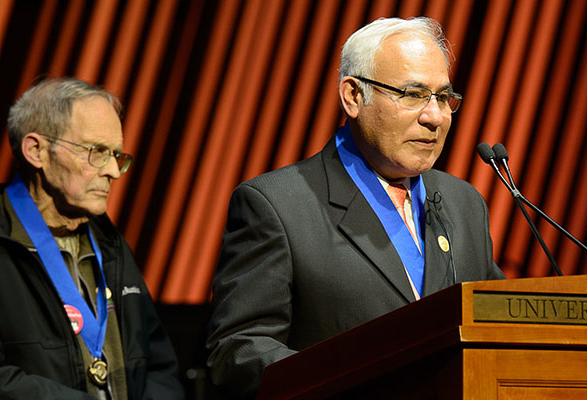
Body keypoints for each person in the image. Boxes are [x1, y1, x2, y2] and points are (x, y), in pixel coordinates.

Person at [205, 16, 505, 398]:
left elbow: (499, 328)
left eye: (443, 98)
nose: (434, 116)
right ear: (352, 96)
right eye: (413, 94)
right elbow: (239, 351)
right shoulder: (277, 206)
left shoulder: (464, 203)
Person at [0, 77, 184, 399]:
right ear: (36, 151)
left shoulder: (110, 242)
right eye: (96, 151)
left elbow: (159, 364)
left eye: (116, 155)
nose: (112, 170)